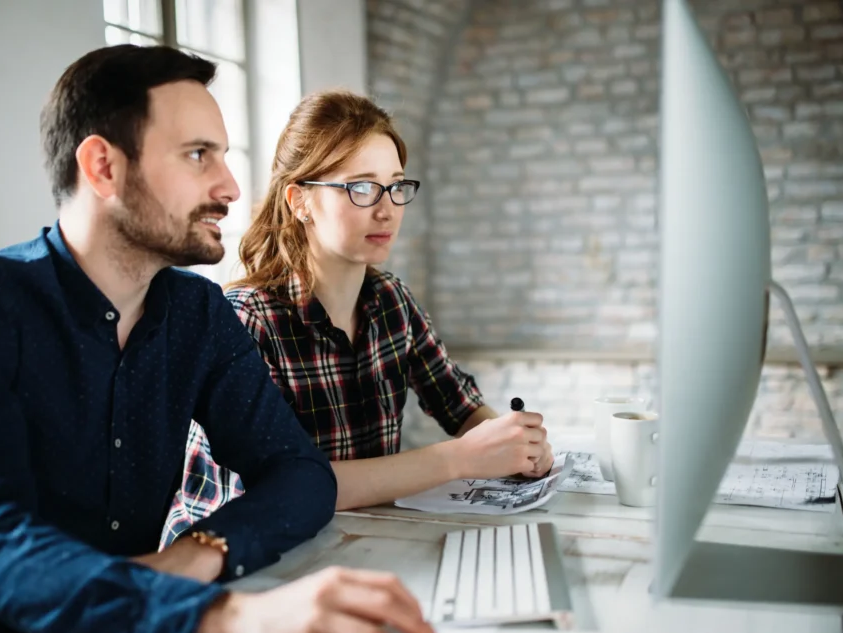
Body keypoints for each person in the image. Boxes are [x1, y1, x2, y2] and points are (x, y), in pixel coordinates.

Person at [0, 46, 446, 633]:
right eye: (198, 156)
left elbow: (301, 475)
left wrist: (200, 553)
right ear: (103, 165)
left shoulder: (197, 312)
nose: (231, 187)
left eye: (223, 154)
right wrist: (230, 622)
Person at [165, 90, 554, 544]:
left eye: (396, 185)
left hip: (346, 541)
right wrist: (461, 459)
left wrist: (515, 444)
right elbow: (285, 487)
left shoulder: (391, 300)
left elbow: (462, 407)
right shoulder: (248, 320)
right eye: (362, 187)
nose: (387, 208)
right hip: (230, 560)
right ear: (300, 201)